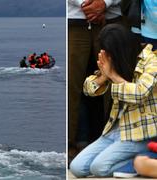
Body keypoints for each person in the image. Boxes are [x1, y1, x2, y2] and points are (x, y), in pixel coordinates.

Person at [70, 24, 157, 178]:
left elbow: (140, 93)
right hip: (115, 130)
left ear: (119, 49)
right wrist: (104, 76)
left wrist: (113, 76)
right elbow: (88, 89)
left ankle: (140, 162)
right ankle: (130, 158)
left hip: (141, 132)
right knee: (77, 168)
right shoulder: (116, 59)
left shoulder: (152, 61)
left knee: (99, 168)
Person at [68, 0, 125, 163]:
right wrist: (85, 4)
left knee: (115, 83)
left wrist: (104, 3)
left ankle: (117, 143)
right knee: (72, 86)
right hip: (74, 21)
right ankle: (69, 144)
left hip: (111, 19)